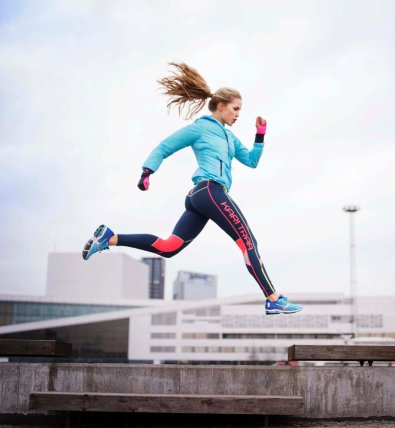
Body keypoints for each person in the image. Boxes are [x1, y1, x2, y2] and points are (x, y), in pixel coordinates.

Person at [82, 62, 302, 315]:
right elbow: (164, 147)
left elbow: (251, 161)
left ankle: (109, 238)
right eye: (235, 108)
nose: (238, 114)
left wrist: (260, 136)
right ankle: (273, 298)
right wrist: (147, 171)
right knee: (248, 242)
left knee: (168, 247)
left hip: (202, 198)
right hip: (209, 190)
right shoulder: (199, 128)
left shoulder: (230, 137)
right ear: (221, 105)